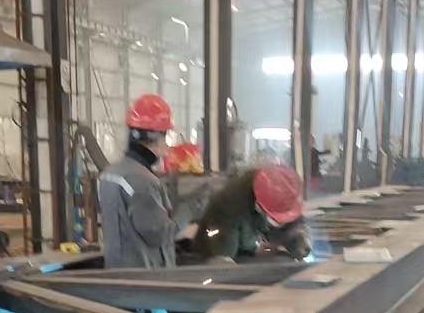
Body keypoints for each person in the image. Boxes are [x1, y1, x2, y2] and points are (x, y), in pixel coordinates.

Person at [99, 94, 176, 269]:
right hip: (143, 276)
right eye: (165, 137)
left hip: (114, 271)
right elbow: (156, 233)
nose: (166, 146)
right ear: (154, 139)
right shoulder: (142, 180)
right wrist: (182, 227)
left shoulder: (109, 173)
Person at [189, 163, 310, 262]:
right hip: (219, 253)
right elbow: (223, 262)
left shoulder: (285, 189)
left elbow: (292, 227)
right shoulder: (230, 204)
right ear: (260, 205)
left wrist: (299, 247)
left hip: (249, 246)